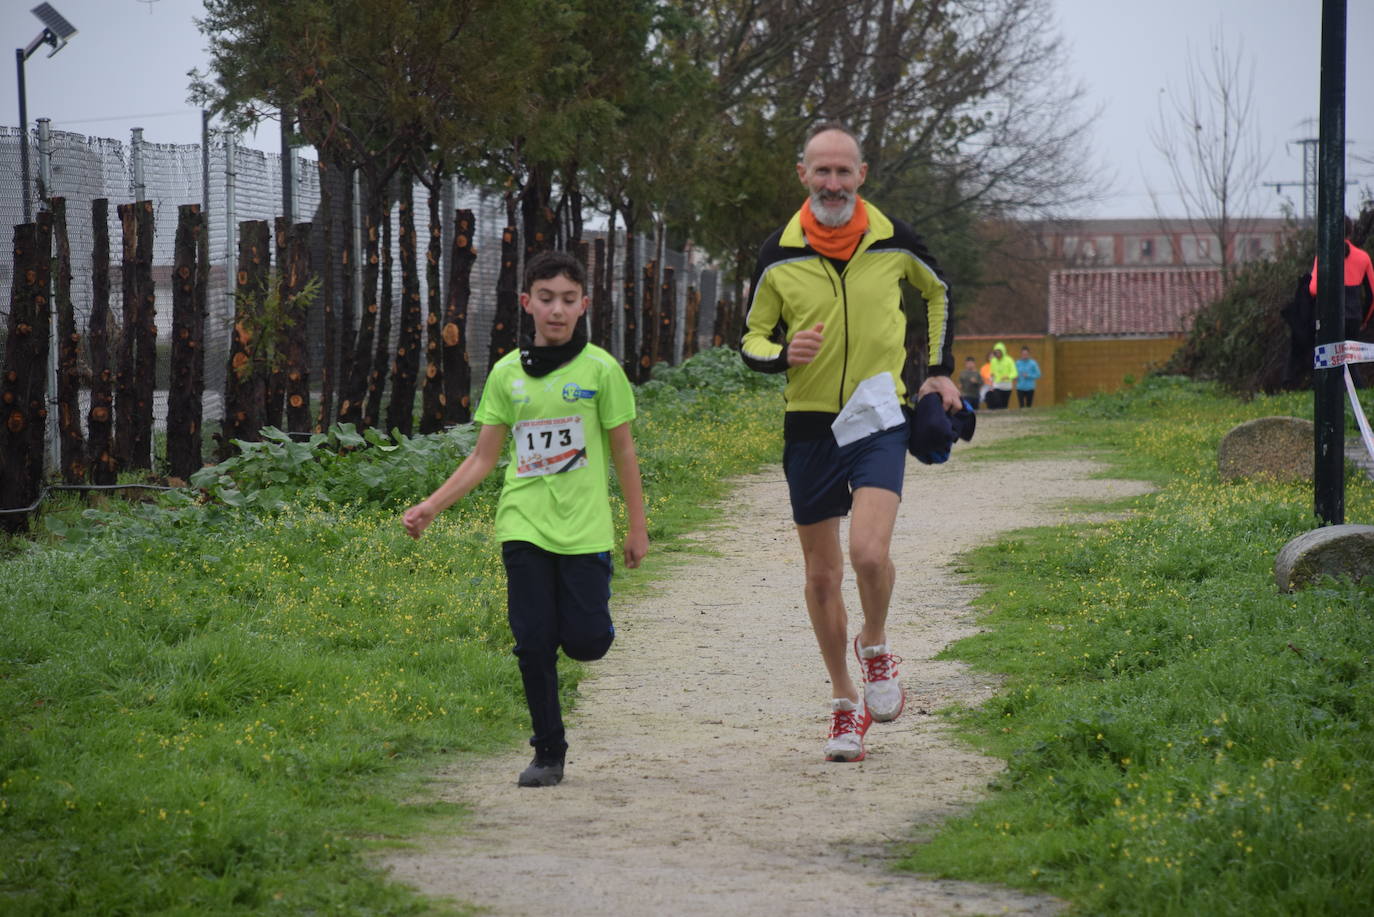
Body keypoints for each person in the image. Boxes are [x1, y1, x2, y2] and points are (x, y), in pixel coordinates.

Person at [740, 122, 959, 763]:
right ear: (802, 174)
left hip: (879, 415)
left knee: (868, 554)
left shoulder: (893, 239)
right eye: (821, 171)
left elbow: (938, 290)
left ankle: (877, 644)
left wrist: (939, 368)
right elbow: (750, 339)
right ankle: (844, 705)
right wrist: (783, 353)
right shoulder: (778, 255)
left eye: (844, 171)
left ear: (862, 175)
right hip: (808, 424)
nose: (832, 182)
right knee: (821, 575)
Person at [403, 250, 649, 788]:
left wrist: (636, 526)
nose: (555, 310)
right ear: (526, 304)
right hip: (524, 524)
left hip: (584, 530)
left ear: (583, 305)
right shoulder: (506, 375)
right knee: (533, 641)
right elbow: (483, 457)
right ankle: (548, 751)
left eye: (567, 300)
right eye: (545, 299)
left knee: (585, 641)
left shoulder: (601, 371)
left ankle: (591, 625)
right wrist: (432, 505)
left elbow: (625, 452)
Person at [1308, 217, 1374, 341]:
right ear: (1351, 232)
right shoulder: (1363, 257)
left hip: (1328, 319)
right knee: (1348, 360)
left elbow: (1314, 289)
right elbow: (1372, 295)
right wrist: (1363, 320)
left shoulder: (1324, 255)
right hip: (1353, 319)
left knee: (1327, 358)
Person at [986, 342, 1017, 409]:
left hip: (1007, 385)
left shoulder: (1009, 360)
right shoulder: (993, 361)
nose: (997, 354)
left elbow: (1014, 373)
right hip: (997, 385)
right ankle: (997, 414)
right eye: (995, 352)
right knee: (997, 401)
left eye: (998, 352)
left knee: (1004, 404)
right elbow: (992, 372)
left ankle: (1003, 417)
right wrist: (991, 378)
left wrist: (1008, 376)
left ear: (1002, 351)